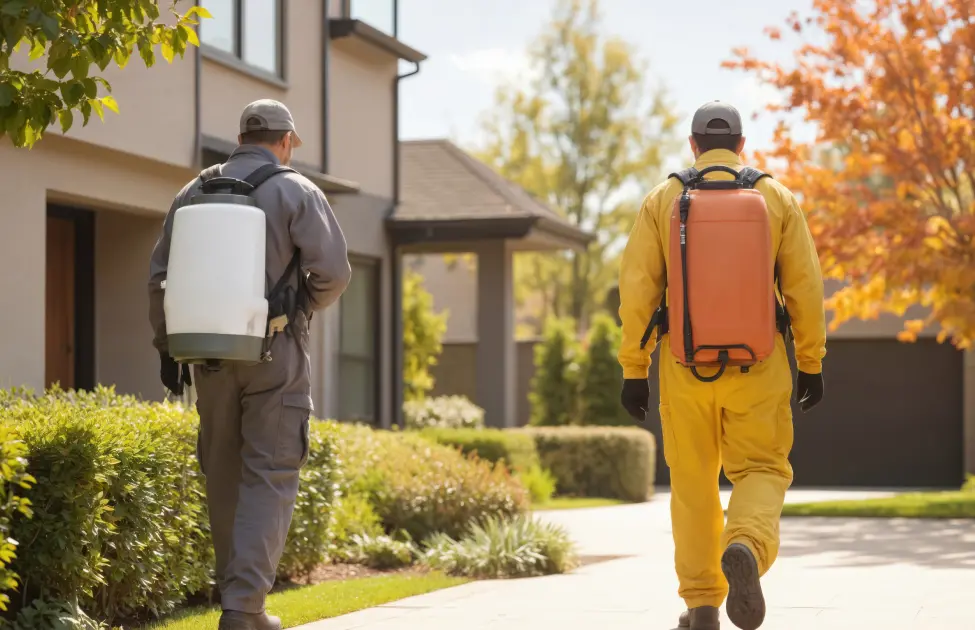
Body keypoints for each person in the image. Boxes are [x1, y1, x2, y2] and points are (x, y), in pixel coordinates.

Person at [616, 101, 826, 630]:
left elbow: (638, 291)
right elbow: (805, 287)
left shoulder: (663, 199)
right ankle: (747, 547)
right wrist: (811, 360)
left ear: (692, 145)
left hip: (686, 369)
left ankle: (704, 604)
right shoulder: (775, 197)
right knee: (762, 469)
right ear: (741, 145)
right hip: (760, 366)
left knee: (692, 484)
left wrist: (634, 369)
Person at [148, 99, 352, 630]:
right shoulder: (295, 190)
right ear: (285, 141)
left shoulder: (190, 194)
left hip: (206, 354)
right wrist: (301, 305)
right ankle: (244, 609)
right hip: (274, 352)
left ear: (241, 137)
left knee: (223, 474)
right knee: (270, 474)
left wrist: (167, 344)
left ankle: (235, 600)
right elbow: (333, 272)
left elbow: (158, 279)